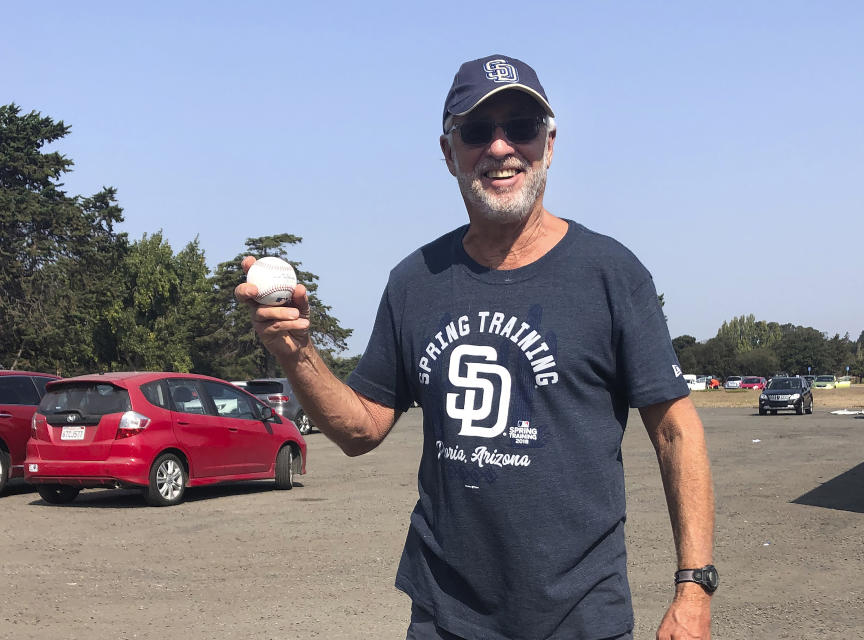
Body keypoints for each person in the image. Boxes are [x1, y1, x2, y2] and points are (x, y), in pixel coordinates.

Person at [236, 54, 716, 640]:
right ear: (448, 152)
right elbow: (361, 430)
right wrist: (296, 352)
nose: (499, 147)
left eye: (521, 127)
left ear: (550, 142)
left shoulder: (610, 274)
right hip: (448, 616)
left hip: (581, 616)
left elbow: (676, 431)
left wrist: (694, 586)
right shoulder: (416, 281)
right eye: (476, 131)